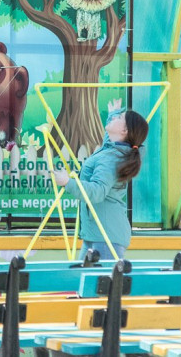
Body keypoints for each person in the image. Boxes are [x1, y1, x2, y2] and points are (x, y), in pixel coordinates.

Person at [53, 99, 149, 259]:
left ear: (124, 130)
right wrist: (113, 114)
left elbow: (98, 191)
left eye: (119, 117)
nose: (115, 117)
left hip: (105, 237)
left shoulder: (111, 158)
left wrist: (67, 183)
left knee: (101, 276)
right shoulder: (114, 151)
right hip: (99, 234)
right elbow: (108, 142)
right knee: (86, 275)